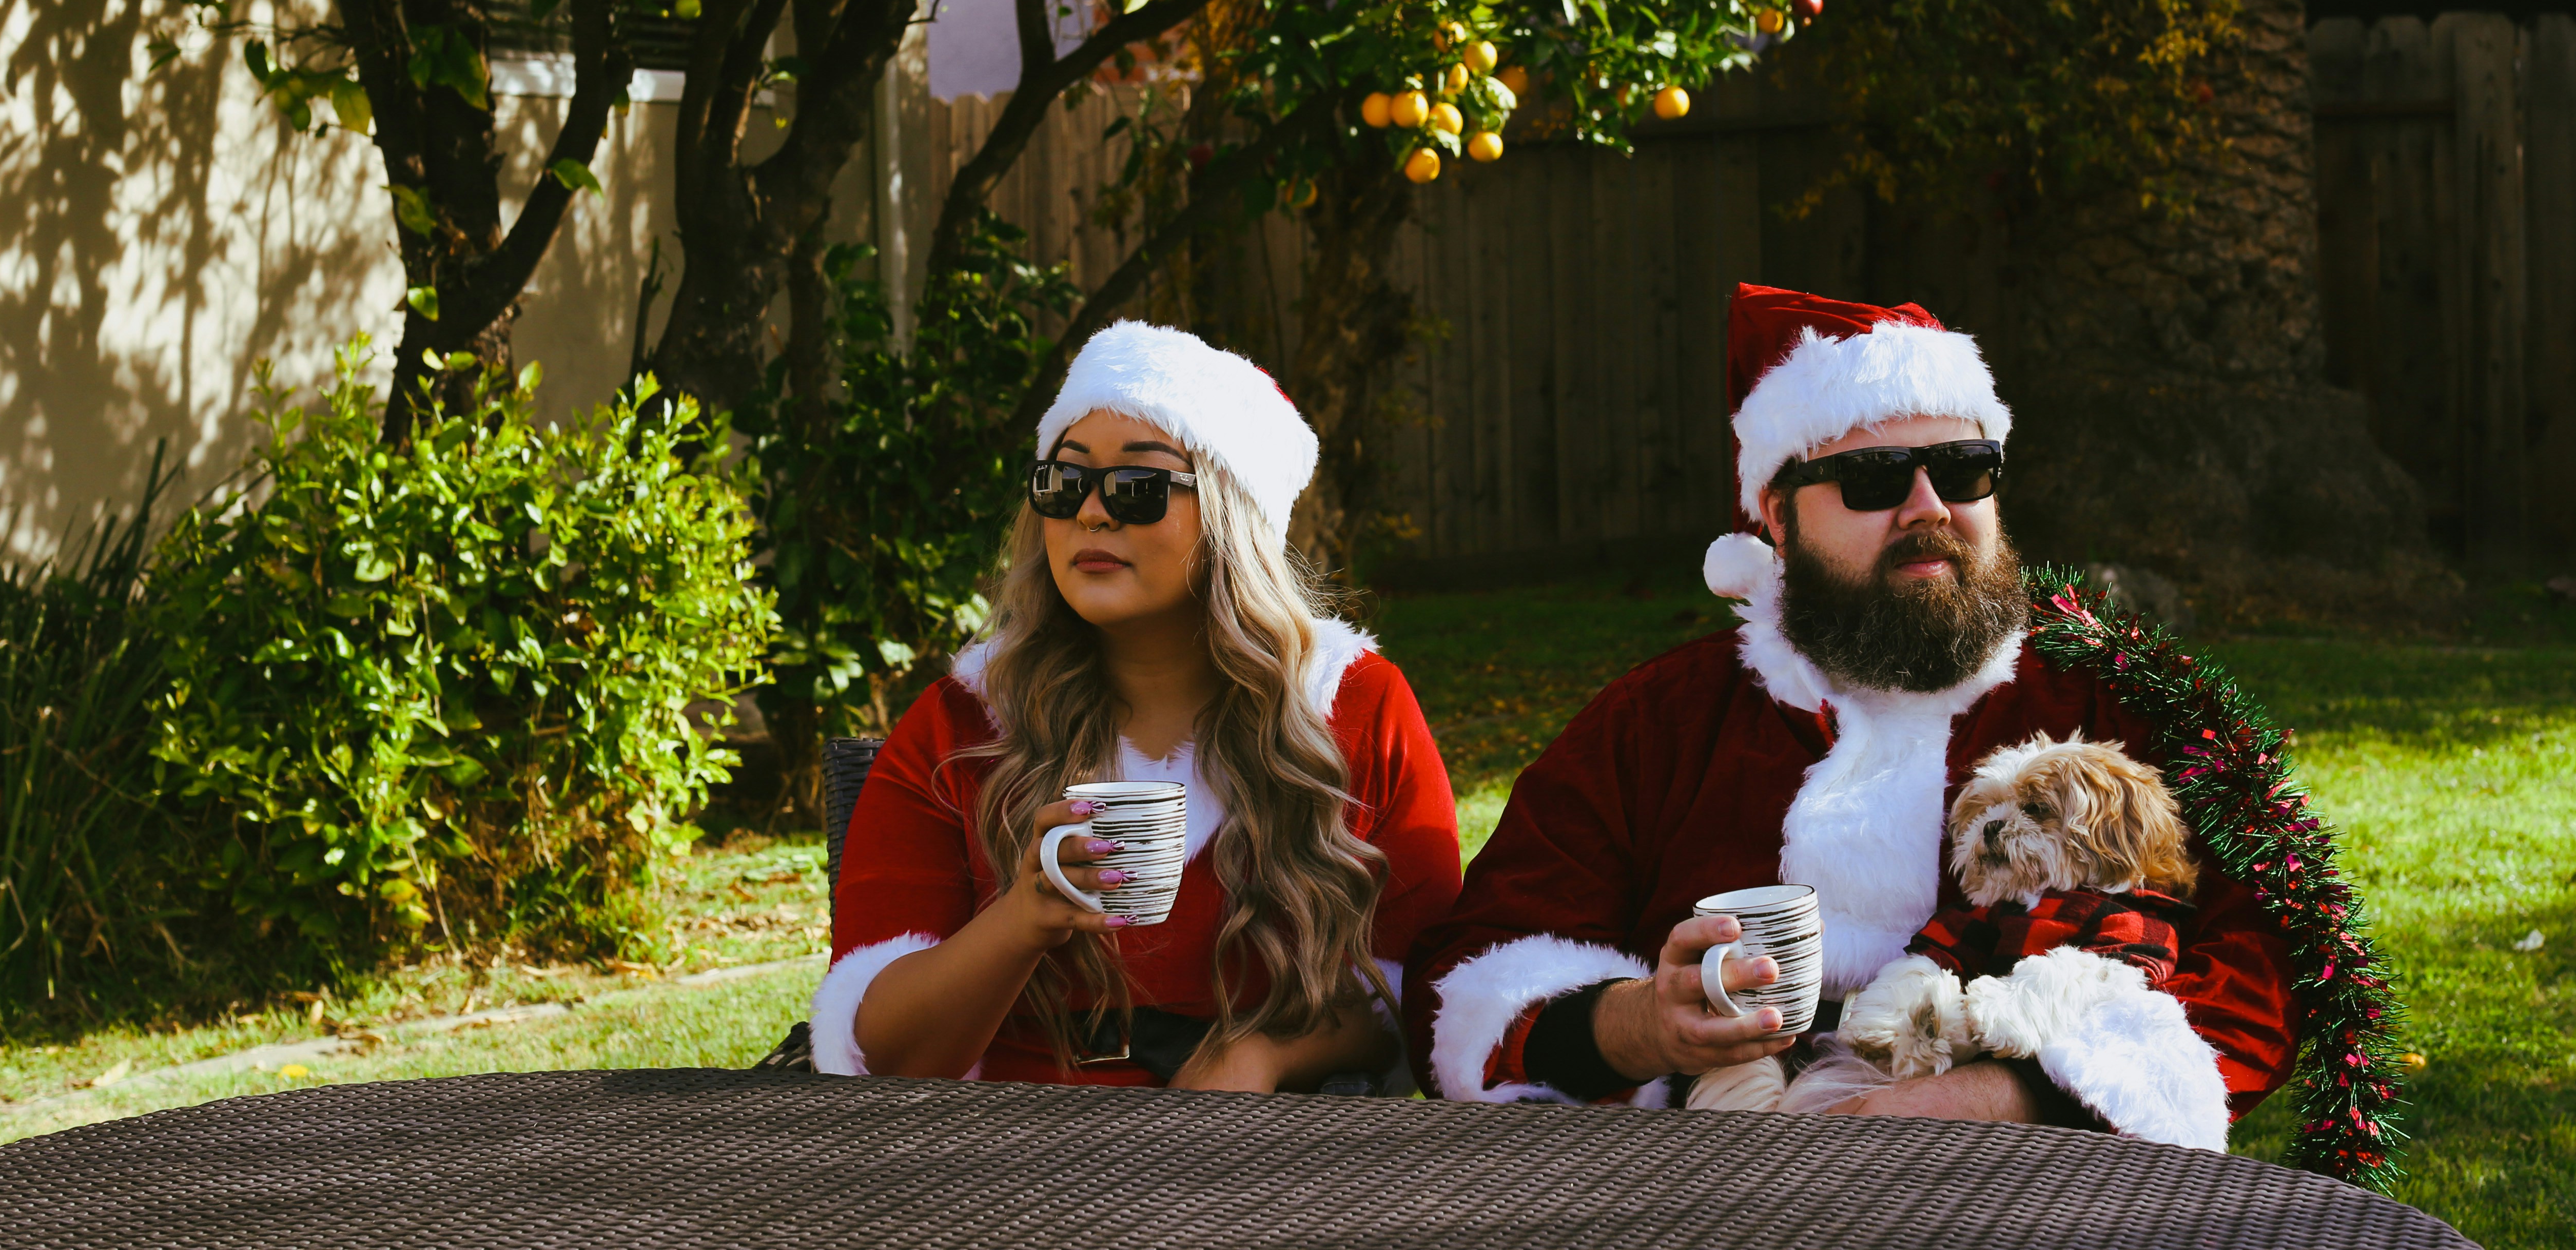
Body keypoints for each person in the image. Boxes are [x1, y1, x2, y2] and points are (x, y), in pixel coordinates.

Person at [1408, 284, 2302, 1147]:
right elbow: (1467, 972)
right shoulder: (1660, 724)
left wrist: (2002, 1096)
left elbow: (2266, 957)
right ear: (1776, 515)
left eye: (1963, 468)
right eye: (1873, 478)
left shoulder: (2110, 705)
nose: (1928, 507)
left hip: (2036, 1180)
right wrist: (1638, 1026)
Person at [811, 320, 1462, 1090]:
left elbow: (1420, 988)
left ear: (1230, 515)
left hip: (1265, 1167)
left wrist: (1260, 1053)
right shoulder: (965, 723)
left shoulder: (1350, 705)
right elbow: (879, 1052)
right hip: (999, 1159)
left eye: (1136, 487)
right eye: (1063, 482)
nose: (1091, 513)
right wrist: (1022, 920)